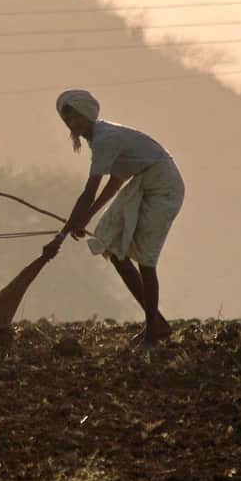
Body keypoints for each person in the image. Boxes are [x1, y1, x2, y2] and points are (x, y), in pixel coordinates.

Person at [42, 89, 185, 345]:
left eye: (73, 117)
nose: (69, 123)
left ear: (86, 115)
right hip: (142, 182)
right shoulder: (98, 139)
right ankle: (158, 323)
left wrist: (61, 235)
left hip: (163, 186)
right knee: (113, 249)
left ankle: (152, 334)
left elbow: (90, 192)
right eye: (65, 118)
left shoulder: (104, 139)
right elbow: (115, 182)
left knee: (146, 258)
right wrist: (82, 220)